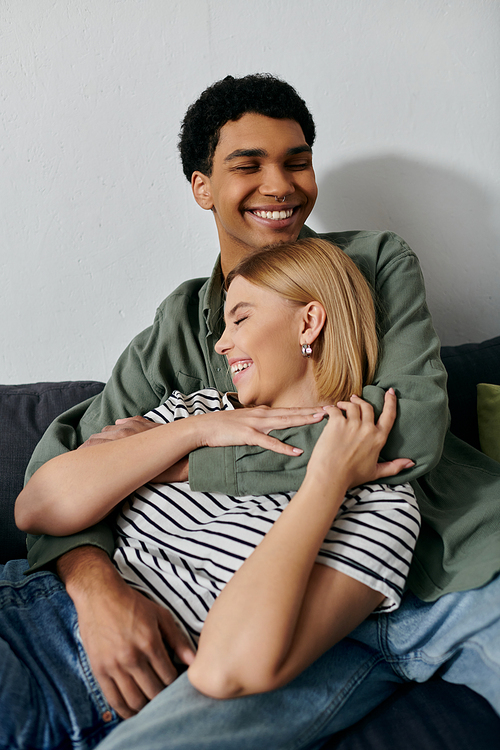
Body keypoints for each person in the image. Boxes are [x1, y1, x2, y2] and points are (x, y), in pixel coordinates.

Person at [9, 73, 500, 748]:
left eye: (296, 161)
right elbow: (60, 476)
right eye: (249, 165)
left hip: (452, 573)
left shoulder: (374, 263)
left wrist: (186, 464)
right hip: (286, 599)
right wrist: (95, 590)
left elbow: (401, 436)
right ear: (202, 187)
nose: (281, 184)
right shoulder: (183, 331)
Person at [13, 240, 419, 733]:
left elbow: (227, 668)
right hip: (24, 599)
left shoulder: (379, 502)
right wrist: (196, 431)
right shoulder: (196, 408)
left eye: (241, 319)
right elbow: (36, 507)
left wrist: (325, 482)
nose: (222, 344)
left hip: (70, 684)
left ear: (309, 322)